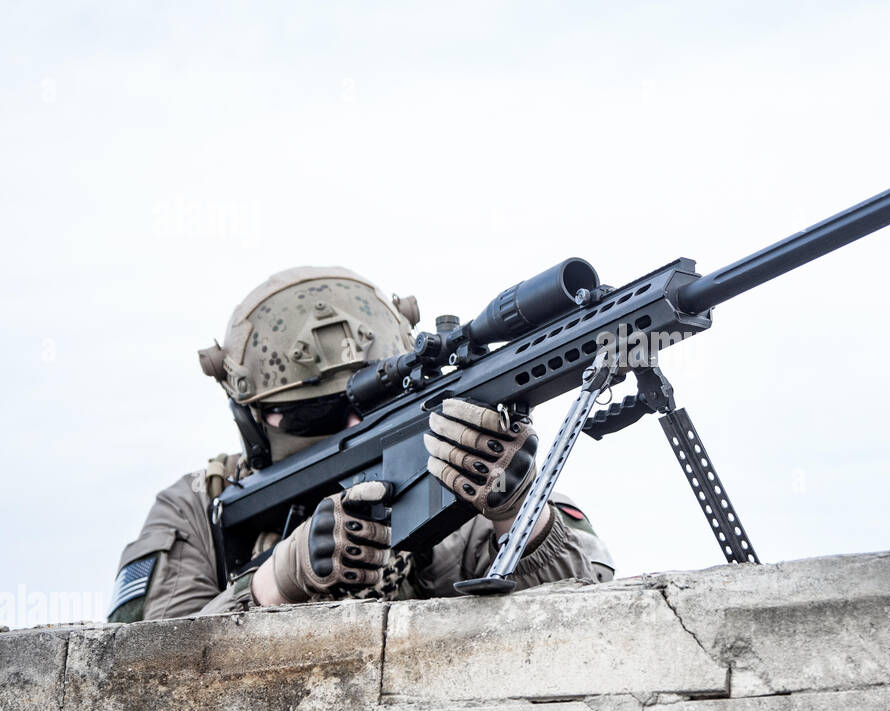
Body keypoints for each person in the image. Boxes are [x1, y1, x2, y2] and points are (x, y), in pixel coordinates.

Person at [108, 266, 612, 623]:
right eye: (316, 414)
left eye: (376, 398)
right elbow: (131, 677)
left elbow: (594, 617)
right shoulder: (198, 509)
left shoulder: (458, 467)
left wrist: (521, 515)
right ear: (252, 414)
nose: (351, 420)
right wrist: (272, 583)